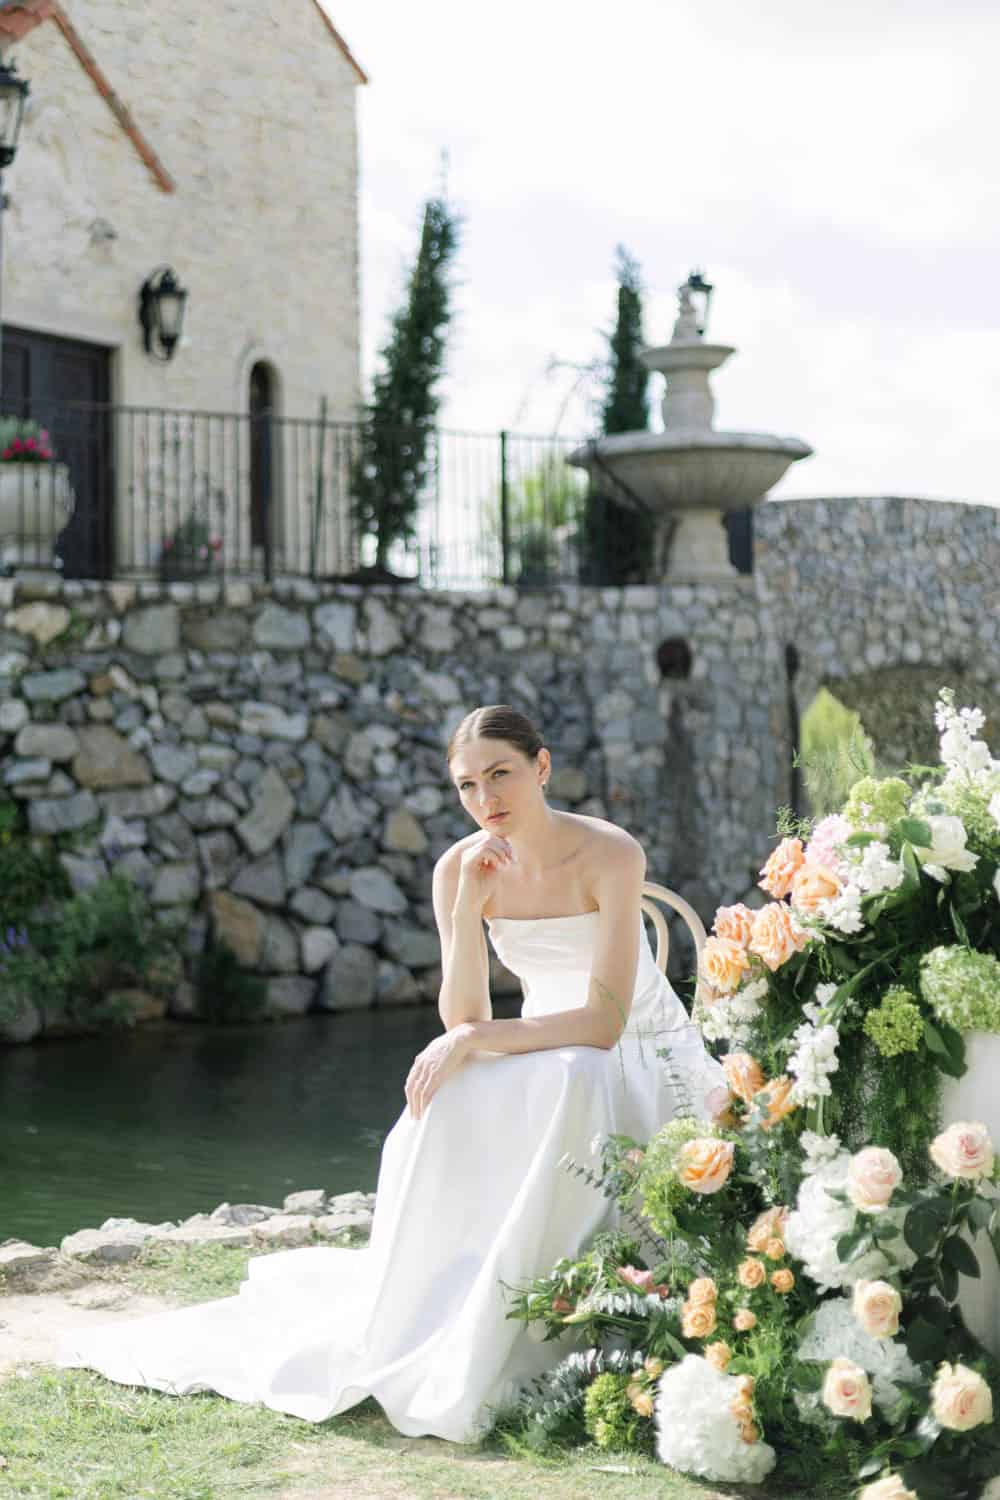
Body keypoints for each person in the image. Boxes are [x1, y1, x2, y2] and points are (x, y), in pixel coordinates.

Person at [59, 705, 725, 1441]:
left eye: (500, 775)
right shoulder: (459, 867)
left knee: (563, 1075)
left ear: (541, 767)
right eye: (467, 786)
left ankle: (559, 1301)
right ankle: (454, 1297)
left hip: (631, 1046)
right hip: (539, 1039)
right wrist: (471, 904)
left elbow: (602, 1025)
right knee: (448, 1094)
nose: (486, 801)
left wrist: (473, 1039)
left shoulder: (609, 852)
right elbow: (463, 1011)